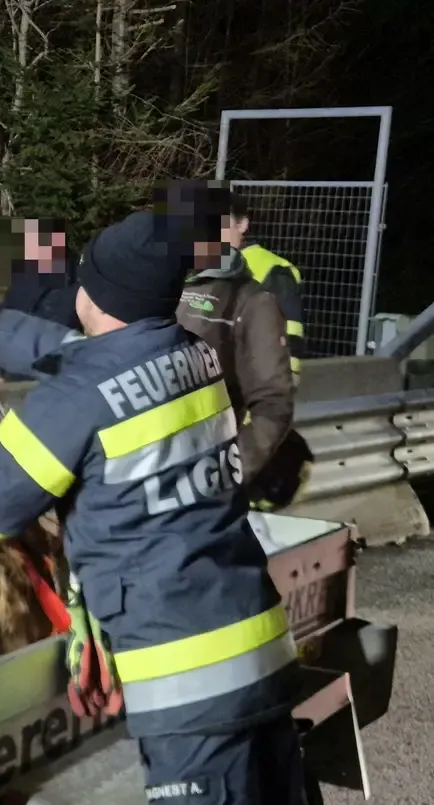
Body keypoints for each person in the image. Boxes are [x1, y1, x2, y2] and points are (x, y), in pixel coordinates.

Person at [0, 209, 323, 805]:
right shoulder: (194, 356)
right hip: (259, 652)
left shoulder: (75, 401)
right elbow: (80, 350)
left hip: (188, 685)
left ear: (92, 295)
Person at [177, 183, 313, 544]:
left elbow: (283, 364)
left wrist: (247, 449)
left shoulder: (271, 273)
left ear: (243, 224)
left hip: (240, 429)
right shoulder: (189, 268)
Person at [230, 193, 306, 386]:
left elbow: (290, 328)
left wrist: (288, 376)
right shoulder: (198, 268)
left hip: (252, 382)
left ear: (242, 225)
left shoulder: (274, 270)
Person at [0, 217, 81, 379]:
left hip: (55, 382)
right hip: (11, 380)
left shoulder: (80, 287)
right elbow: (2, 325)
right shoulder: (23, 280)